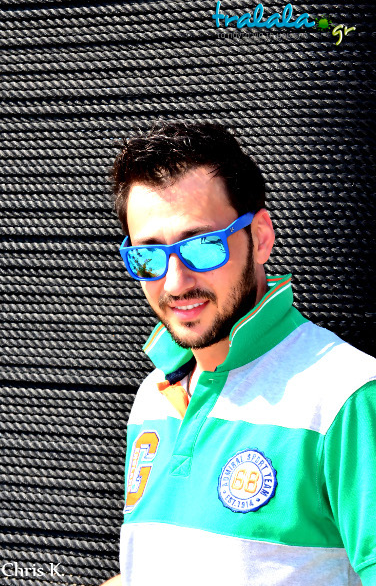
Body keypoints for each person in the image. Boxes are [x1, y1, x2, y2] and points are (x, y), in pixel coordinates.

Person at [101, 122, 376, 586]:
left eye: (203, 245)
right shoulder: (152, 395)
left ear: (261, 237)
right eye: (149, 255)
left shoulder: (347, 396)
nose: (175, 282)